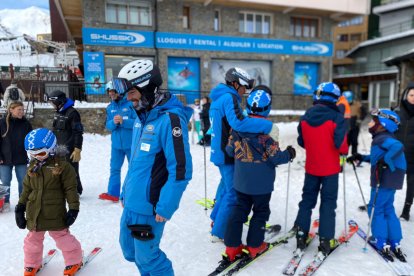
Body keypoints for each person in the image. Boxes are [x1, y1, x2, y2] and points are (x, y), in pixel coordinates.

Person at [113, 59, 193, 275]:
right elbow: (137, 163)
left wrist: (166, 205)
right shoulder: (141, 118)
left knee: (149, 258)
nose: (128, 100)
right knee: (130, 252)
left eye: (132, 93)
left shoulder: (170, 120)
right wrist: (125, 192)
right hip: (132, 201)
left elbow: (181, 169)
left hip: (151, 205)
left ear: (147, 88)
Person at [223, 86, 296, 261]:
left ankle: (232, 247)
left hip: (241, 180)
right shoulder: (269, 129)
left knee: (239, 210)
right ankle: (255, 245)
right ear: (267, 108)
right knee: (260, 212)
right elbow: (275, 158)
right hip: (262, 184)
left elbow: (230, 150)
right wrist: (289, 154)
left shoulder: (237, 126)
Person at [209, 67, 274, 241]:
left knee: (224, 188)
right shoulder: (229, 98)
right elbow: (239, 123)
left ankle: (216, 219)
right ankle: (219, 232)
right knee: (233, 194)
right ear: (235, 84)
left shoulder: (218, 98)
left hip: (218, 151)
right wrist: (267, 127)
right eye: (244, 87)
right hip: (226, 153)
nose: (245, 92)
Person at [16, 128, 82, 275]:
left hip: (54, 213)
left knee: (63, 238)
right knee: (32, 241)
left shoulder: (63, 167)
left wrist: (73, 209)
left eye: (40, 153)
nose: (37, 157)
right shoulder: (33, 166)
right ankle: (32, 264)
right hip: (35, 212)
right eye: (32, 154)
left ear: (51, 148)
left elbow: (71, 189)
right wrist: (20, 207)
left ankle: (74, 260)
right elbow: (26, 189)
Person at [294, 82, 347, 259]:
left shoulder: (306, 116)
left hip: (312, 167)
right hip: (330, 169)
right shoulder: (337, 118)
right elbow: (343, 146)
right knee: (328, 203)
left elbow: (301, 141)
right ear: (336, 98)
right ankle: (325, 240)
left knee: (307, 201)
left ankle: (300, 236)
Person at [347, 109, 406, 261]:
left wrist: (385, 160)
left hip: (384, 180)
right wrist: (361, 157)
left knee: (376, 208)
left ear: (383, 125)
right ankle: (394, 241)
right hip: (392, 179)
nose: (370, 123)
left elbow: (398, 146)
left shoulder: (383, 138)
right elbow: (377, 158)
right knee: (387, 208)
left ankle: (380, 240)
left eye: (374, 121)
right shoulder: (383, 138)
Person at [99, 81, 137, 202]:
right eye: (109, 92)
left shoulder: (131, 105)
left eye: (113, 91)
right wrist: (113, 123)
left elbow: (138, 122)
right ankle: (113, 193)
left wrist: (124, 122)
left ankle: (131, 193)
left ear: (120, 91)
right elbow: (108, 126)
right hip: (116, 146)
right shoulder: (110, 107)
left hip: (131, 145)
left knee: (134, 169)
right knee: (114, 169)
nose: (111, 94)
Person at [47, 90, 84, 195]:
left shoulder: (72, 113)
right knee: (59, 168)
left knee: (71, 170)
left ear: (59, 102)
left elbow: (78, 132)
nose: (51, 105)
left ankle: (76, 190)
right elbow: (54, 129)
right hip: (59, 147)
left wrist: (77, 149)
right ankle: (64, 188)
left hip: (69, 147)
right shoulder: (58, 112)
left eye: (52, 103)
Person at [0, 101, 32, 212]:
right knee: (5, 182)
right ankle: (5, 202)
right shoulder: (2, 123)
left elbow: (31, 140)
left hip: (21, 157)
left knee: (23, 181)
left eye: (22, 110)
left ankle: (23, 202)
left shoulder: (26, 124)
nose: (21, 112)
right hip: (4, 158)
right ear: (11, 110)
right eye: (19, 110)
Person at [394, 82, 414, 221]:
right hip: (396, 154)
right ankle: (379, 203)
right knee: (388, 181)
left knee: (411, 183)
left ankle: (406, 209)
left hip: (413, 156)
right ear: (406, 95)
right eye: (412, 95)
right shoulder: (396, 112)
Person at [343, 90, 367, 155]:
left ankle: (354, 157)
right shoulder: (342, 105)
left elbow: (364, 112)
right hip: (345, 125)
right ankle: (343, 158)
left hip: (355, 124)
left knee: (354, 142)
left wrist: (360, 119)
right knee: (345, 142)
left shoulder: (357, 104)